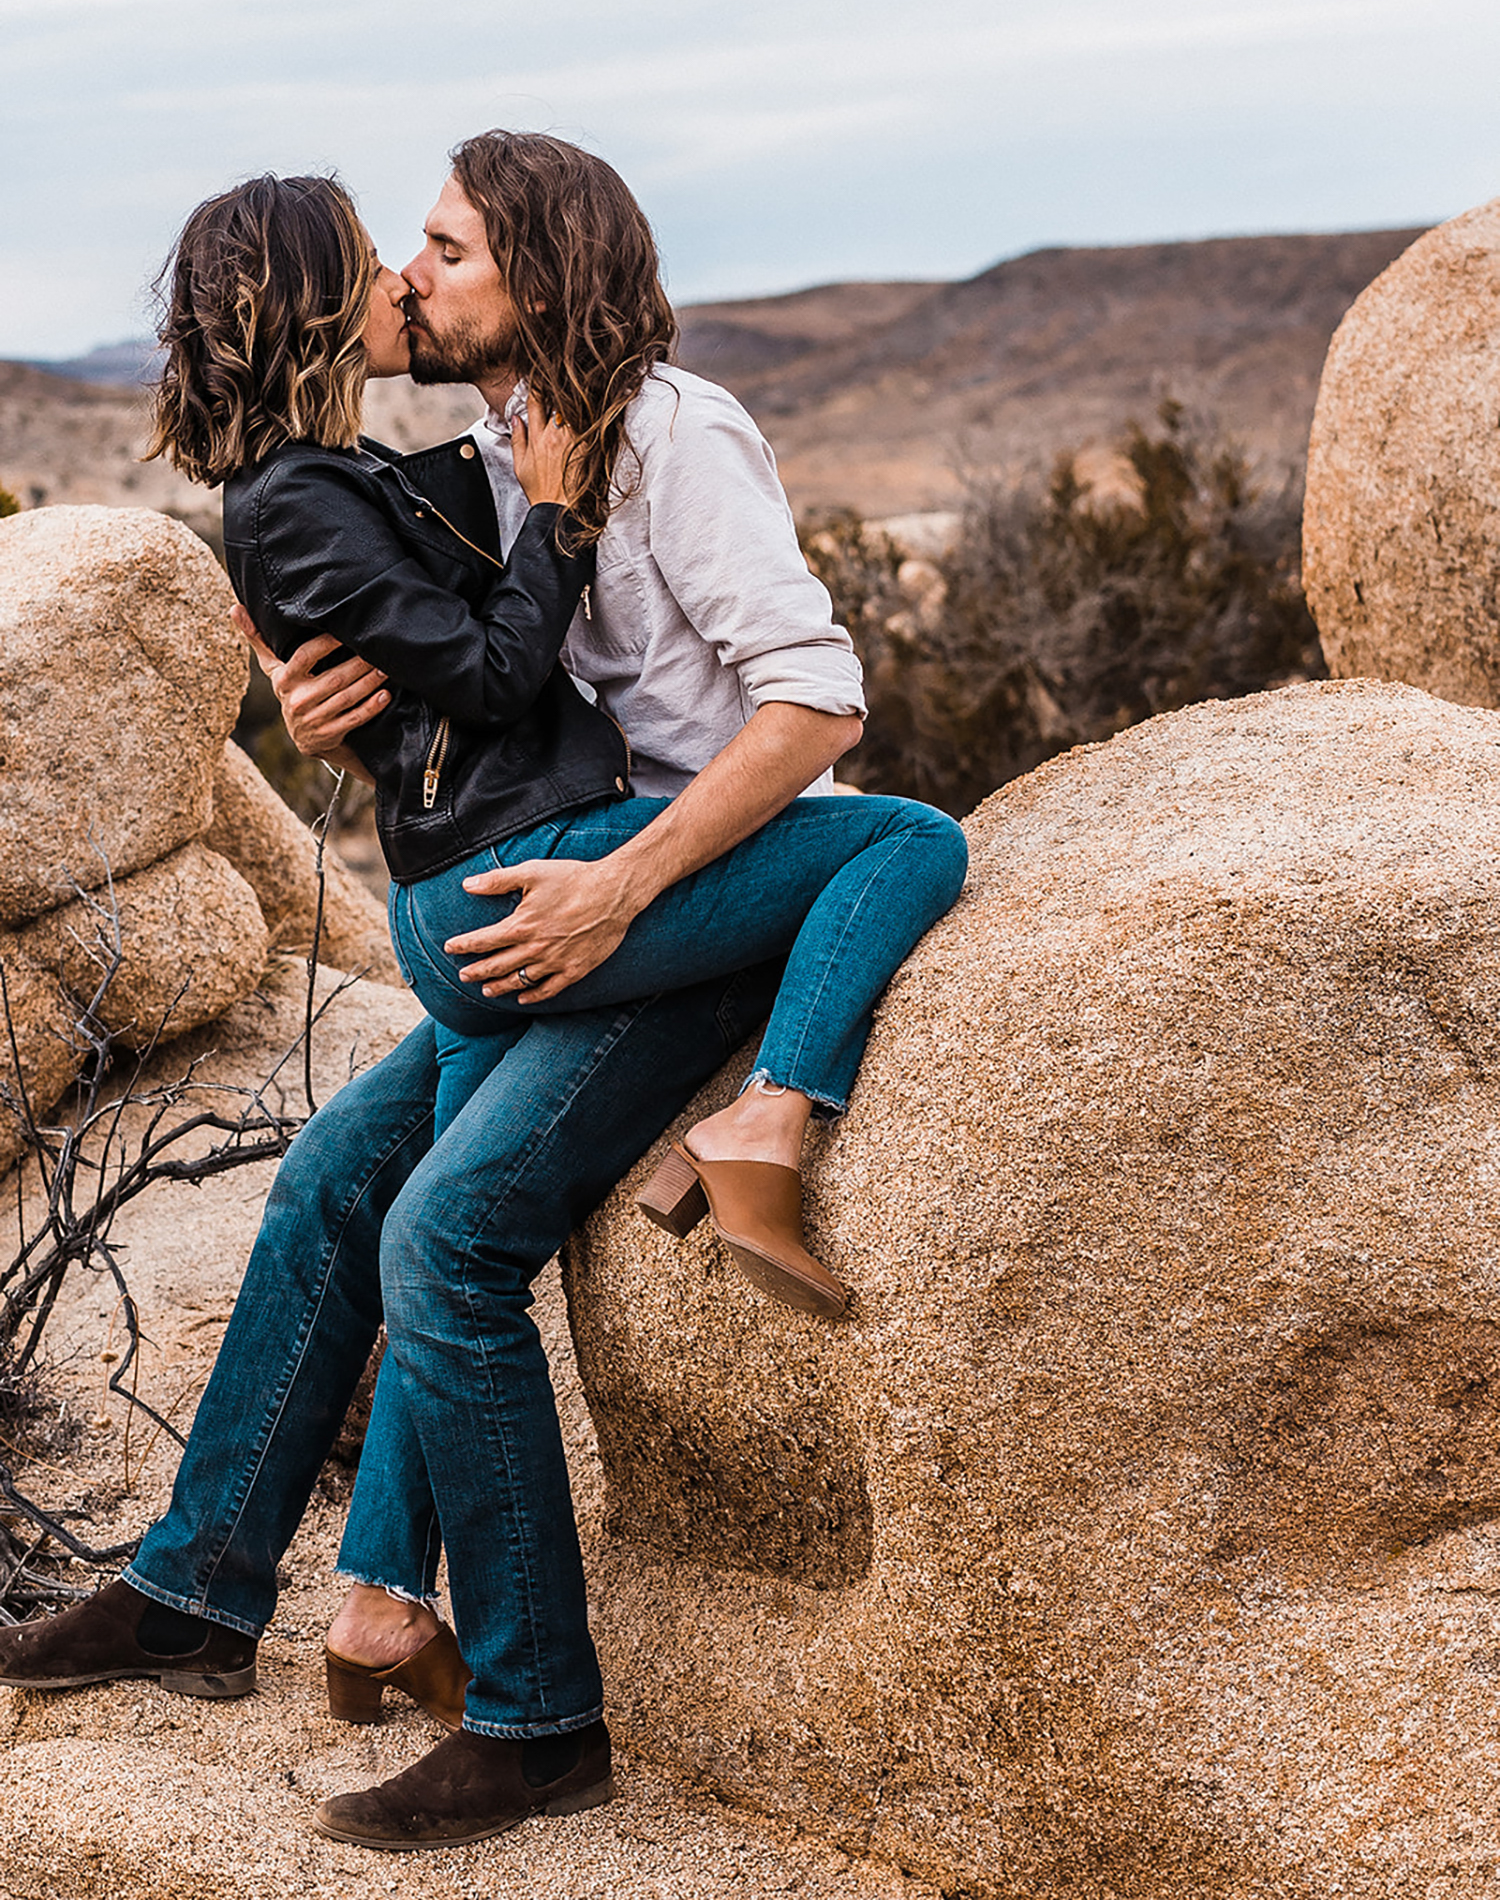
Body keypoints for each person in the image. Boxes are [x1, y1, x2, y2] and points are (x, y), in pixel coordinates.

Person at [0, 137, 967, 1855]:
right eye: (403, 252)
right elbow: (459, 666)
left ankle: (536, 1719)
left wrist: (622, 887)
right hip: (564, 886)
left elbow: (817, 708)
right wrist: (335, 715)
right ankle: (202, 1591)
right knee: (325, 1184)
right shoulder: (513, 455)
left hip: (667, 892)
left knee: (446, 1238)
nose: (410, 278)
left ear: (535, 270)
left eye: (442, 248)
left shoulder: (673, 438)